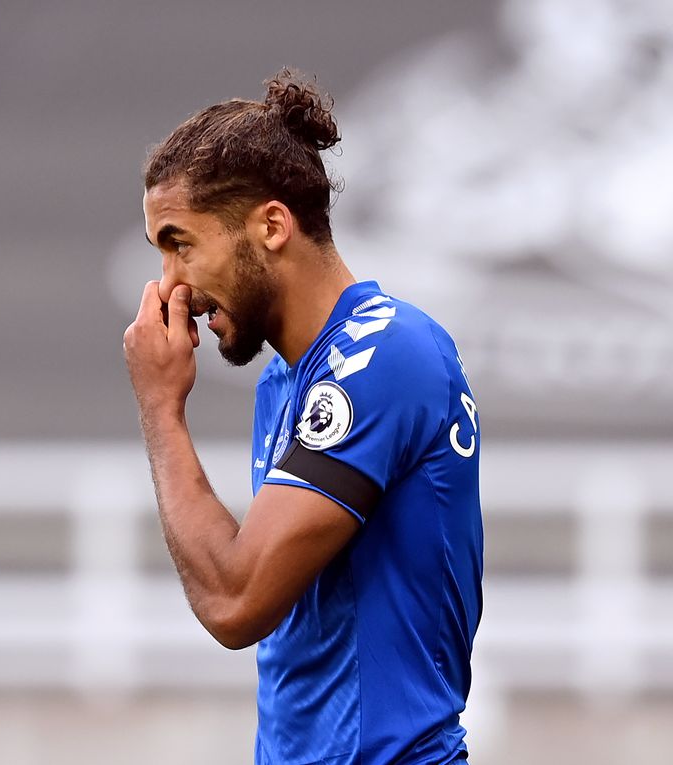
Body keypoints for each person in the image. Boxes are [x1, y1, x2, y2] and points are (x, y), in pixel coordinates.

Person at [122, 69, 484, 765]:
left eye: (180, 243)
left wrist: (161, 408)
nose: (168, 285)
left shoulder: (383, 356)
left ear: (271, 225)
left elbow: (236, 599)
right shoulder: (289, 380)